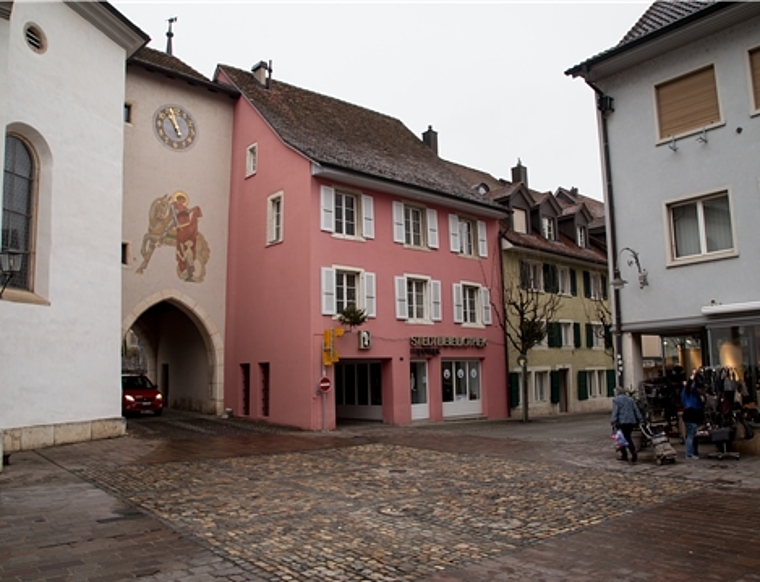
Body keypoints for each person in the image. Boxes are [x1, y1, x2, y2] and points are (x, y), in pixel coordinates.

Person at [611, 387, 644, 462]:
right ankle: (628, 453)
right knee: (627, 436)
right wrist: (640, 419)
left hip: (621, 422)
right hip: (631, 422)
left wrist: (613, 421)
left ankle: (629, 453)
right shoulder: (630, 399)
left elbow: (615, 411)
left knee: (621, 438)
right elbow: (636, 409)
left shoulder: (616, 400)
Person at [681, 370, 704, 459]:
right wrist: (693, 376)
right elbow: (689, 385)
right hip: (691, 414)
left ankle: (694, 452)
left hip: (692, 414)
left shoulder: (691, 392)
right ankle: (690, 454)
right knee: (691, 435)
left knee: (693, 435)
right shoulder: (687, 391)